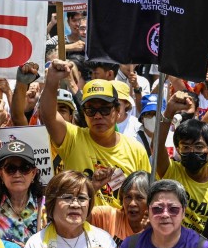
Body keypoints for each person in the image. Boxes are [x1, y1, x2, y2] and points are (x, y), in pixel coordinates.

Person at [40, 61, 151, 208]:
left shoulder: (136, 150)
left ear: (118, 111)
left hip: (120, 230)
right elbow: (48, 115)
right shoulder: (72, 137)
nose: (97, 116)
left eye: (104, 109)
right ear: (84, 113)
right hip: (80, 227)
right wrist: (52, 80)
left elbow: (146, 195)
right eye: (91, 110)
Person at [153, 110, 208, 234]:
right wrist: (169, 111)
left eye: (199, 147)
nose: (192, 151)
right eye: (185, 147)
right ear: (178, 150)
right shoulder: (172, 172)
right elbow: (156, 145)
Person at [22, 170, 115, 248]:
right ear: (52, 202)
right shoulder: (35, 244)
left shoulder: (104, 241)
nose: (75, 204)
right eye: (67, 198)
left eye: (82, 198)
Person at [117, 180, 208, 248]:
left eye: (173, 209)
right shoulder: (130, 247)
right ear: (148, 211)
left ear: (183, 212)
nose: (165, 214)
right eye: (157, 209)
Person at [91, 170, 149, 247]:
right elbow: (80, 218)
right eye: (128, 197)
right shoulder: (109, 216)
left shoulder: (158, 226)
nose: (132, 204)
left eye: (139, 198)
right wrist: (92, 189)